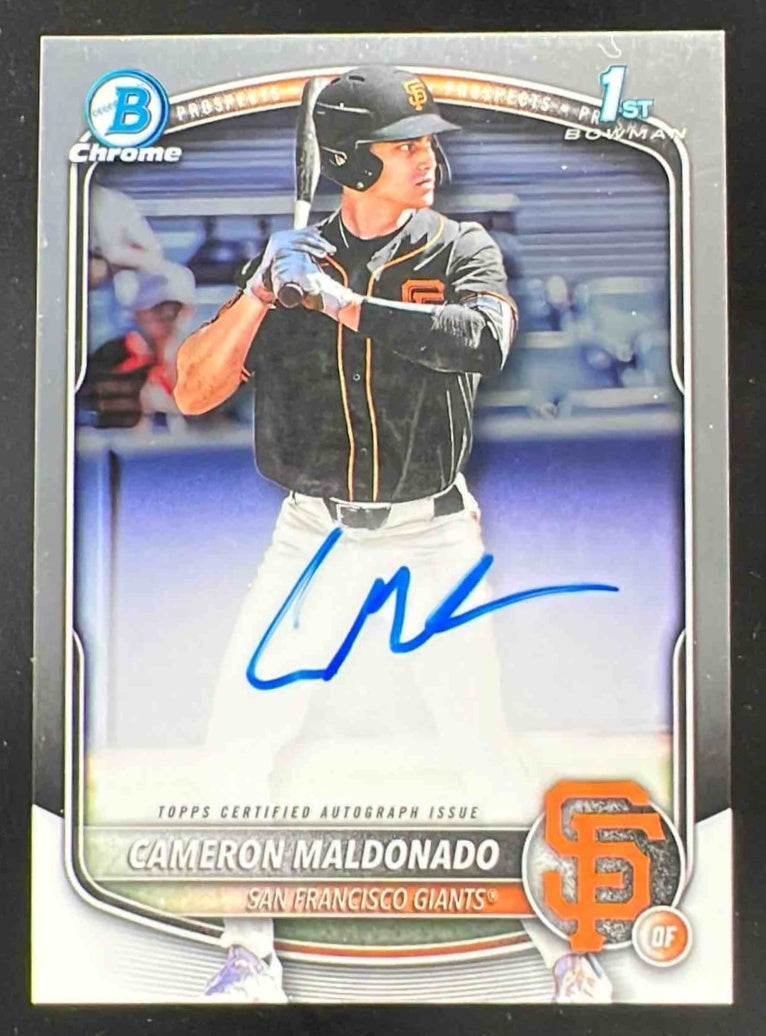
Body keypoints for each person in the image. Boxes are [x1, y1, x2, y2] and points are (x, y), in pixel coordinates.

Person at [174, 65, 610, 1005]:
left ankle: (568, 956)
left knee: (480, 745)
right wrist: (260, 294)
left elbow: (483, 341)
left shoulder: (461, 247)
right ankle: (247, 957)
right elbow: (194, 389)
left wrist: (342, 304)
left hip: (431, 535)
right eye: (403, 145)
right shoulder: (289, 266)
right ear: (348, 160)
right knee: (240, 737)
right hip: (314, 538)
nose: (426, 158)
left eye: (425, 142)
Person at [80, 261, 195, 429]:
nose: (167, 315)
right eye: (158, 308)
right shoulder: (111, 356)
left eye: (176, 309)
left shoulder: (201, 358)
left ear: (189, 311)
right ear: (138, 312)